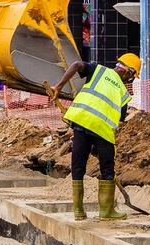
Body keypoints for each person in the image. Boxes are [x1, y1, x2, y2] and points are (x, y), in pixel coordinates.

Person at [50, 53, 141, 221]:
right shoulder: (123, 94)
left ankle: (78, 210)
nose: (129, 81)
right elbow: (118, 120)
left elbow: (76, 64)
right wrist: (99, 144)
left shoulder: (97, 70)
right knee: (107, 169)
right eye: (131, 77)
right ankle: (106, 211)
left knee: (78, 166)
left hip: (81, 123)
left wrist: (58, 86)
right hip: (102, 132)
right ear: (127, 72)